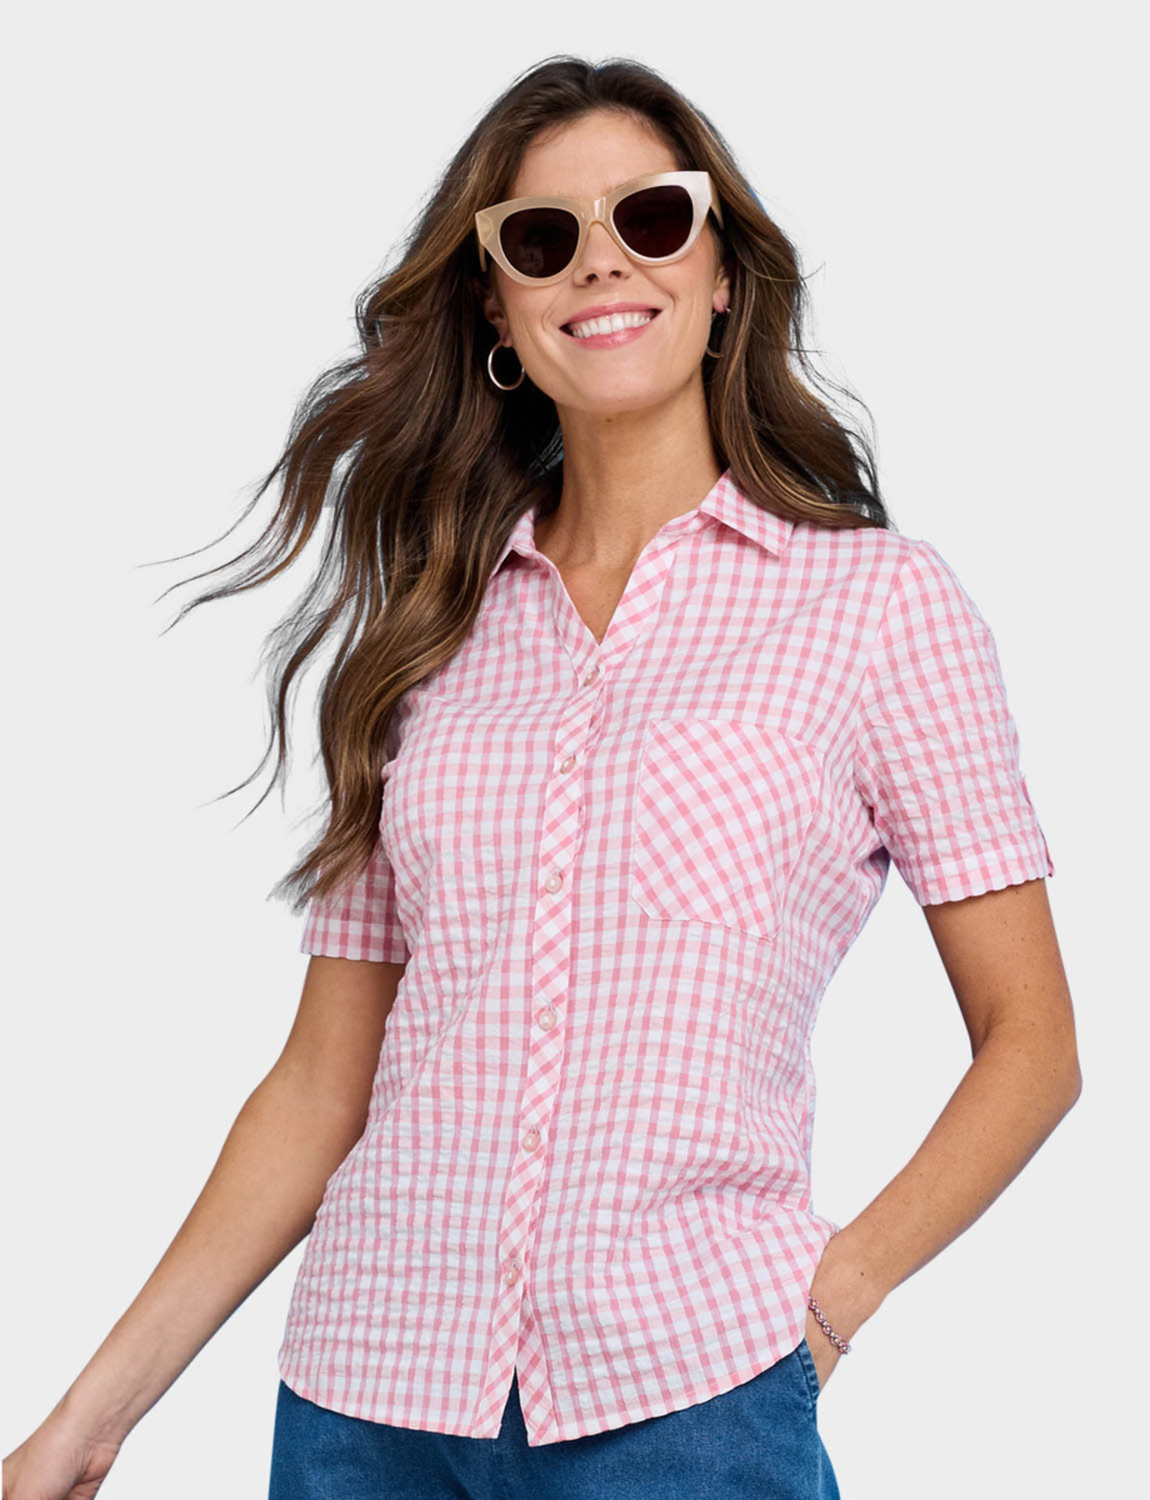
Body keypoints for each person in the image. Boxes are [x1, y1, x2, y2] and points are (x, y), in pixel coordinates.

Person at [2, 54, 1081, 1500]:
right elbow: (319, 1087)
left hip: (688, 1399)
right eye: (541, 236)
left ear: (721, 275)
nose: (600, 262)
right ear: (497, 308)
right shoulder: (425, 636)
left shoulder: (879, 607)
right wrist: (87, 1419)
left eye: (652, 217)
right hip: (365, 1403)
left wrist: (832, 1300)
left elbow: (1032, 1042)